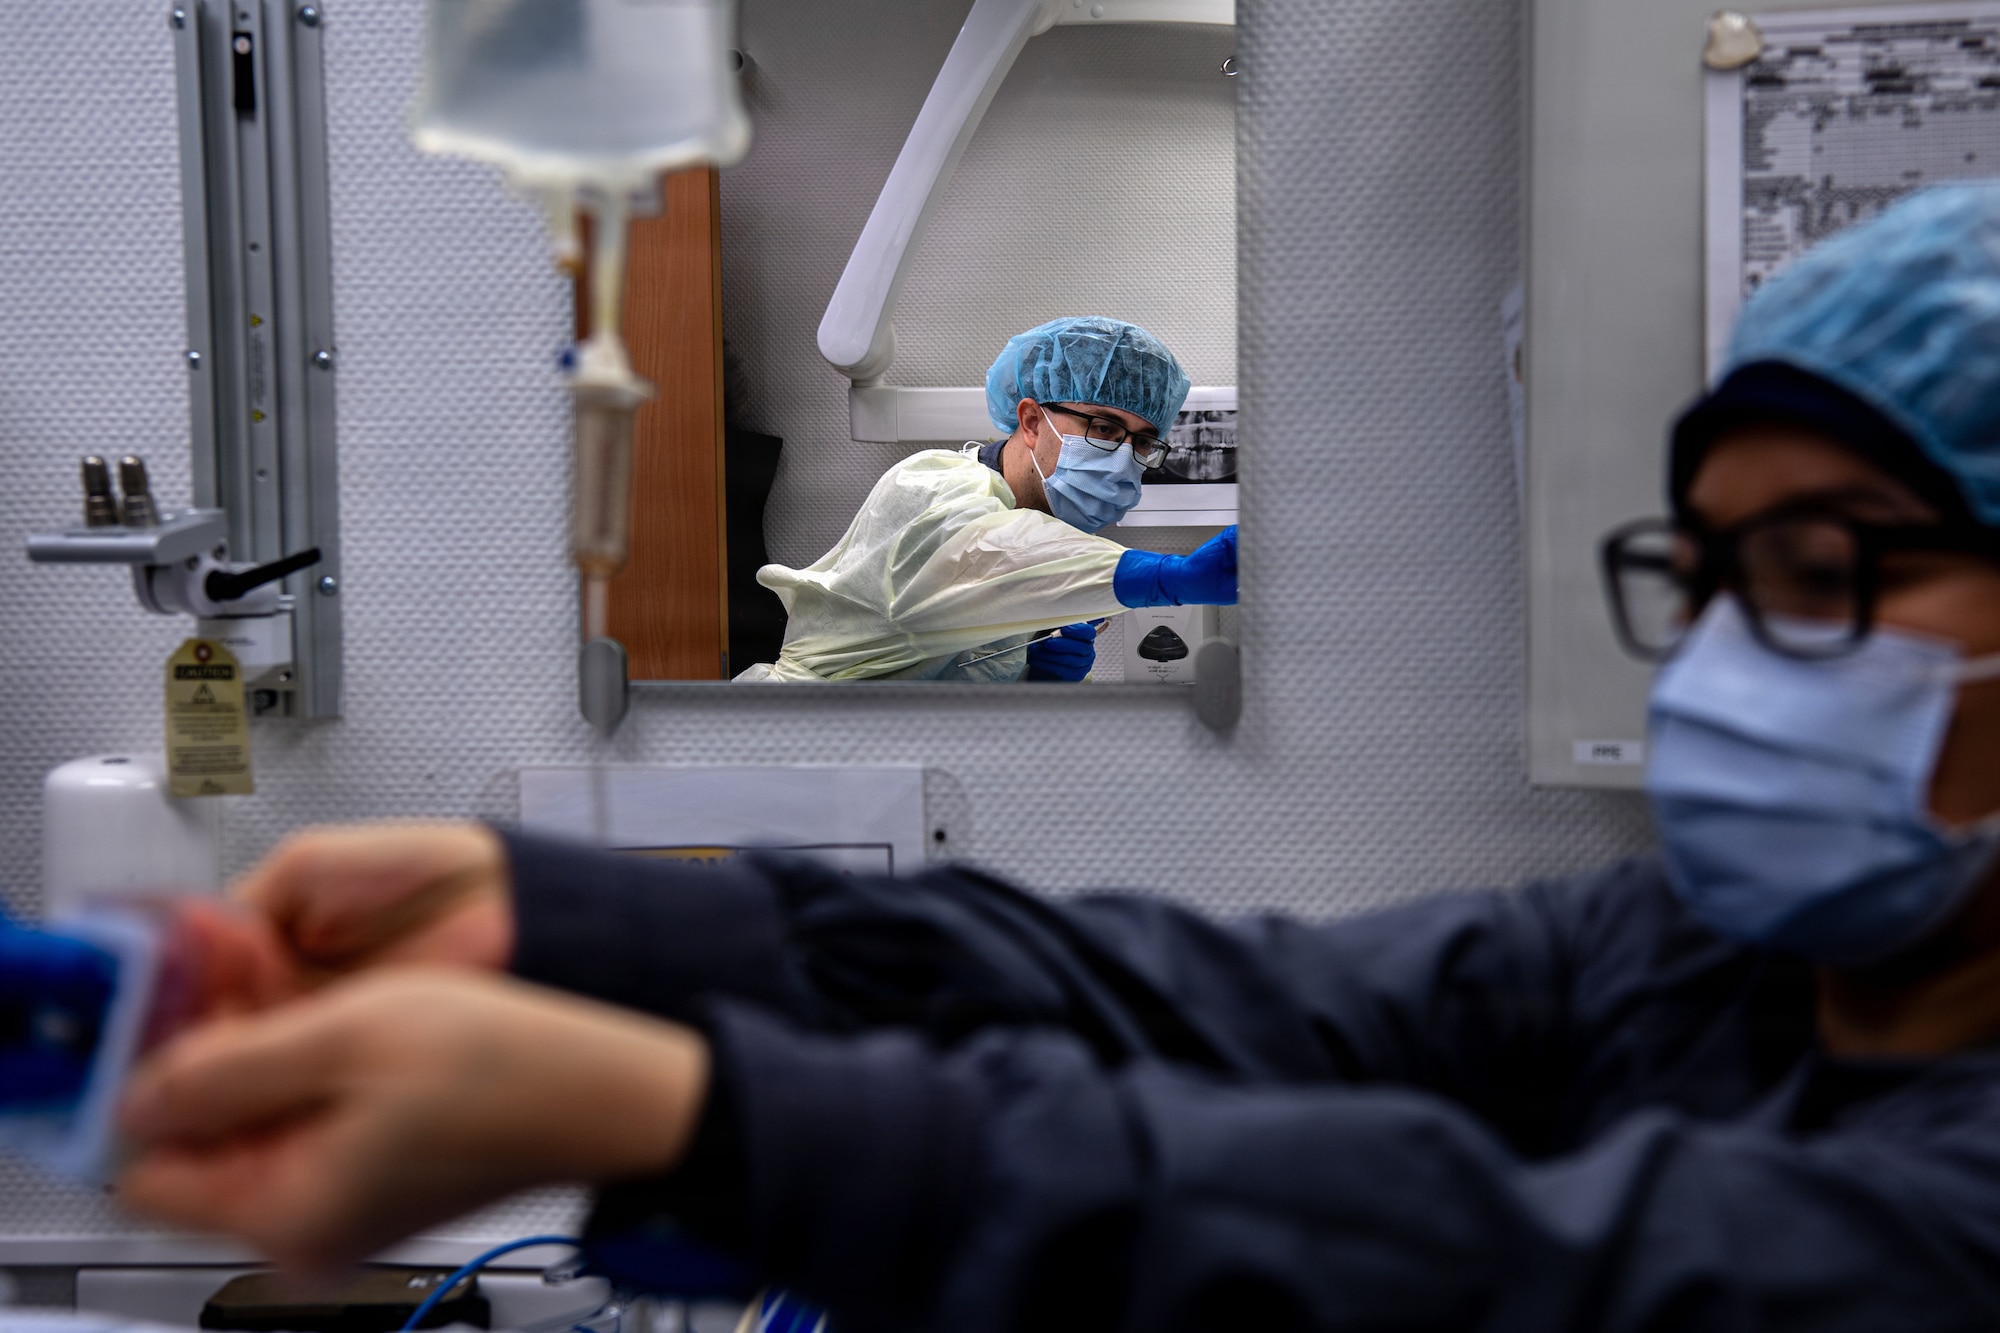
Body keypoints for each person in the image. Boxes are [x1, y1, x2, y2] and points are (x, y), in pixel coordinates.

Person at [111, 184, 2000, 1330]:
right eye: (1708, 578)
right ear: (1020, 414)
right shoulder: (1706, 963)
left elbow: (1502, 1263)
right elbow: (1229, 999)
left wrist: (690, 1113)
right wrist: (575, 920)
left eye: (1817, 572)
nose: (1728, 657)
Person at [734, 316, 1239, 682]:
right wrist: (1170, 577)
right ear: (1032, 421)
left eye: (1143, 441)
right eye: (1104, 427)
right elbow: (987, 550)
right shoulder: (930, 485)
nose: (1125, 455)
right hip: (801, 743)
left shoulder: (1053, 538)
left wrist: (1036, 682)